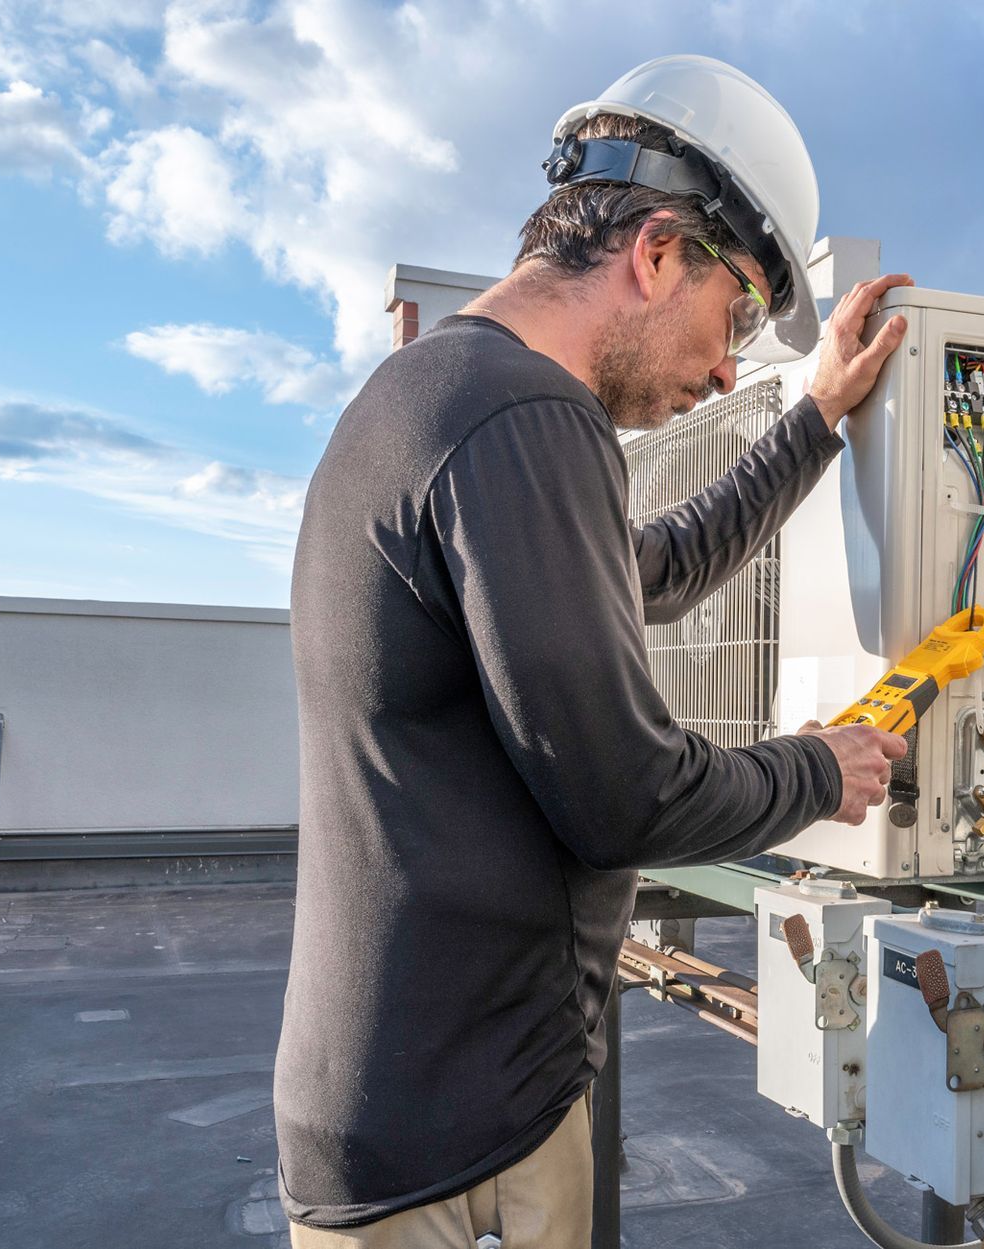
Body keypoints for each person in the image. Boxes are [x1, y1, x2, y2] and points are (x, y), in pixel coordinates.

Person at [279, 54, 912, 1248]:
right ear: (659, 250)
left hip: (418, 1107)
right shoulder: (526, 416)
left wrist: (815, 417)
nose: (730, 367)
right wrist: (822, 770)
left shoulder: (437, 397)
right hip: (458, 1144)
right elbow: (627, 793)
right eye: (733, 318)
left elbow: (656, 562)